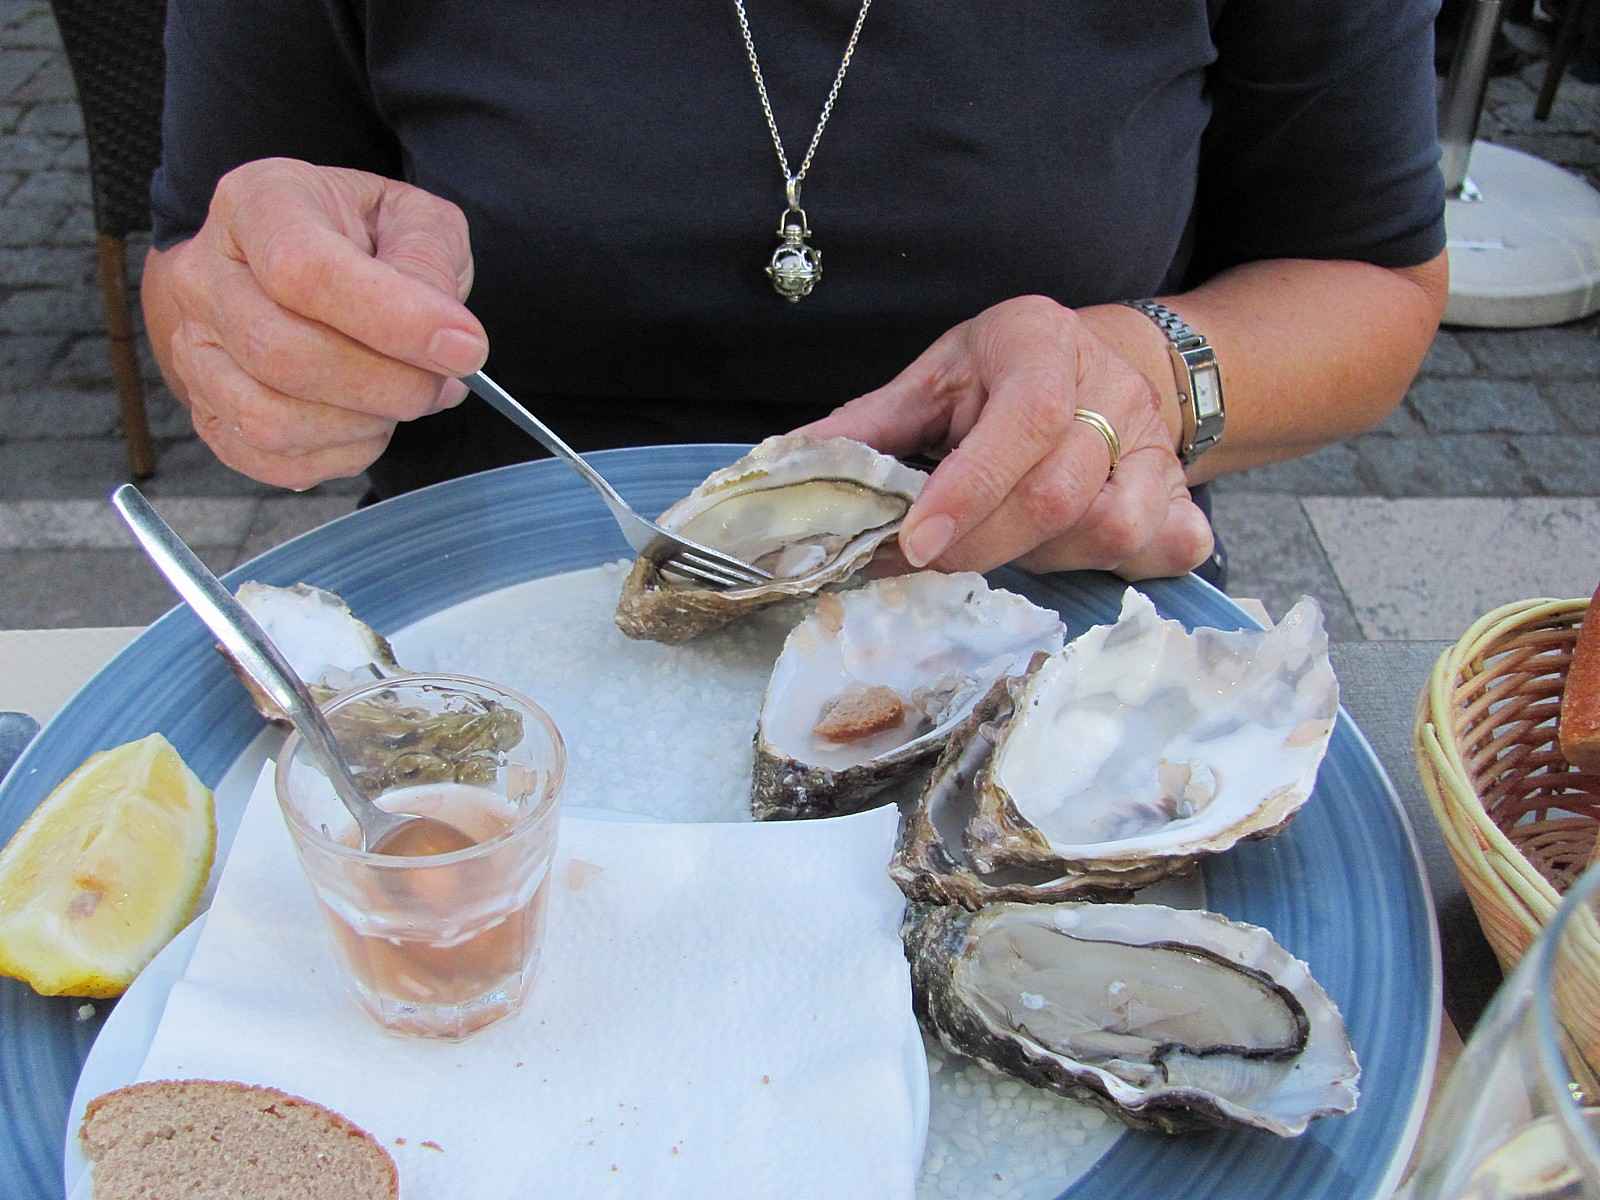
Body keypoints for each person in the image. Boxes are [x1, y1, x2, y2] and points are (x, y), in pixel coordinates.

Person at [141, 2, 1448, 586]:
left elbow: (1370, 277)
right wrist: (264, 332)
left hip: (1045, 603)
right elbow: (199, 261)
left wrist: (1134, 372)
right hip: (486, 617)